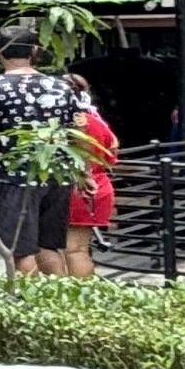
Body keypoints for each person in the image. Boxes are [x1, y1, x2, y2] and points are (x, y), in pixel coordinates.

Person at [0, 24, 77, 275]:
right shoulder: (61, 86)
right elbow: (77, 130)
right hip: (57, 174)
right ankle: (59, 303)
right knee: (49, 246)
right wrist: (83, 173)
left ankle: (30, 306)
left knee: (20, 250)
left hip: (13, 176)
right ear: (35, 50)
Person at [63, 70, 117, 279]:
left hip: (80, 186)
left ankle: (81, 295)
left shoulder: (73, 122)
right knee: (80, 248)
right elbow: (112, 154)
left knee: (74, 250)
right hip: (100, 184)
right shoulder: (97, 120)